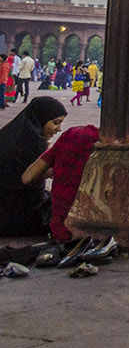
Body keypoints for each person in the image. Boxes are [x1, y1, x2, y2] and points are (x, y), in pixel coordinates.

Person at [20, 121, 100, 242]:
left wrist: (60, 168)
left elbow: (27, 177)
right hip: (93, 234)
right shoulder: (104, 148)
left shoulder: (67, 139)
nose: (58, 129)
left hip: (61, 230)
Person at [0, 96, 67, 236]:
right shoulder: (33, 143)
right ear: (41, 118)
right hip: (16, 217)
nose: (58, 129)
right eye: (55, 123)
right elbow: (38, 176)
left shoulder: (12, 133)